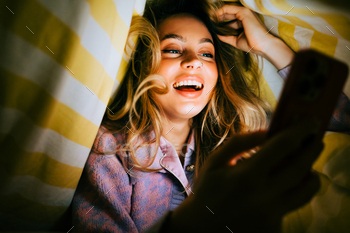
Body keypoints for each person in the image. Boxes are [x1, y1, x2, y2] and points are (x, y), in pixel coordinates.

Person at [71, 0, 325, 232]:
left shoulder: (240, 132)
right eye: (172, 49)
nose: (194, 61)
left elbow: (333, 122)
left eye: (206, 53)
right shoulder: (111, 149)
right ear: (143, 64)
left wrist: (270, 45)